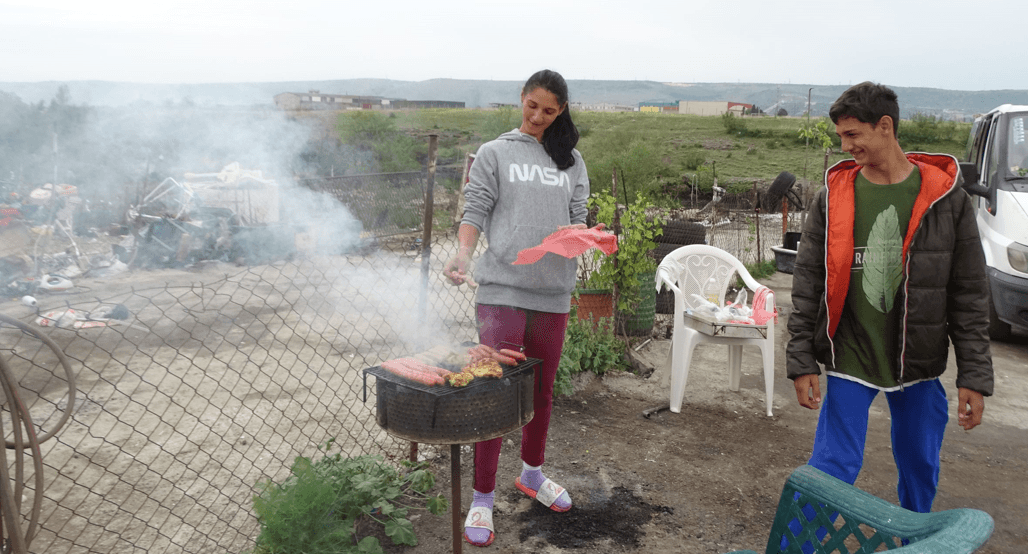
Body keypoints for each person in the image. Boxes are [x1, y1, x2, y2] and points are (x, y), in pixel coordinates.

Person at [786, 81, 994, 514]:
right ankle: (802, 545)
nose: (845, 146)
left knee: (919, 466)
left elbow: (969, 292)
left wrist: (973, 374)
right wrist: (802, 359)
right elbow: (808, 282)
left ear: (885, 126)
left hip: (918, 361)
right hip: (850, 355)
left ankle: (912, 539)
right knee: (831, 467)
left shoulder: (945, 199)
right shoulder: (835, 196)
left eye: (852, 135)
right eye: (841, 136)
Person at [442, 69, 591, 547]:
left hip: (553, 294)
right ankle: (482, 498)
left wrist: (586, 238)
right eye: (533, 106)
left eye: (549, 111)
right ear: (522, 99)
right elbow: (475, 210)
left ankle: (531, 474)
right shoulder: (495, 153)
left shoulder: (571, 162)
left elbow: (578, 223)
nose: (538, 117)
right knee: (494, 394)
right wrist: (464, 253)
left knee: (541, 393)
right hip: (501, 290)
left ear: (560, 111)